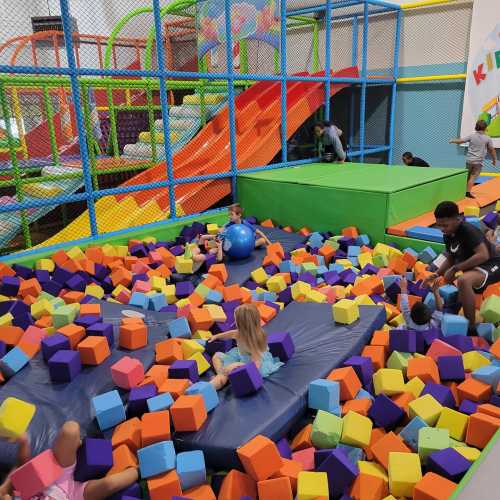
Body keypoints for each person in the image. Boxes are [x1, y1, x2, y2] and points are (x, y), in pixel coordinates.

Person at [0, 422, 138, 500]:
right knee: (110, 484)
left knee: (70, 429)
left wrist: (23, 442)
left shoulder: (10, 494)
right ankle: (140, 469)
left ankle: (77, 446)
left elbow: (21, 472)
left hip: (53, 474)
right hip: (73, 495)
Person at [426, 201, 500, 334]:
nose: (442, 229)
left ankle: (471, 328)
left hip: (492, 263)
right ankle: (459, 318)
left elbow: (483, 255)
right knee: (456, 284)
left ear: (457, 219)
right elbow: (451, 256)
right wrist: (437, 273)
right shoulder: (448, 235)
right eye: (439, 225)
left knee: (463, 280)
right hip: (475, 267)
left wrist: (455, 269)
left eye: (445, 225)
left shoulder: (468, 231)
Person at [208, 303, 284, 390]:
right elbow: (230, 334)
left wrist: (236, 365)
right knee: (216, 356)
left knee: (225, 374)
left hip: (252, 364)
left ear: (242, 323)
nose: (234, 321)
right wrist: (216, 336)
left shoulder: (252, 342)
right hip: (241, 355)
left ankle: (217, 382)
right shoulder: (240, 332)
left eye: (236, 319)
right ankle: (222, 374)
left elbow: (256, 365)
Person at [449, 120, 497, 198]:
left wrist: (452, 140)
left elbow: (461, 141)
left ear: (476, 127)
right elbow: (491, 150)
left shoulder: (472, 136)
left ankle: (461, 191)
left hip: (469, 160)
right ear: (485, 128)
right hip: (478, 162)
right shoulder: (487, 138)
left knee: (467, 176)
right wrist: (494, 160)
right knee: (473, 177)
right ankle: (467, 192)